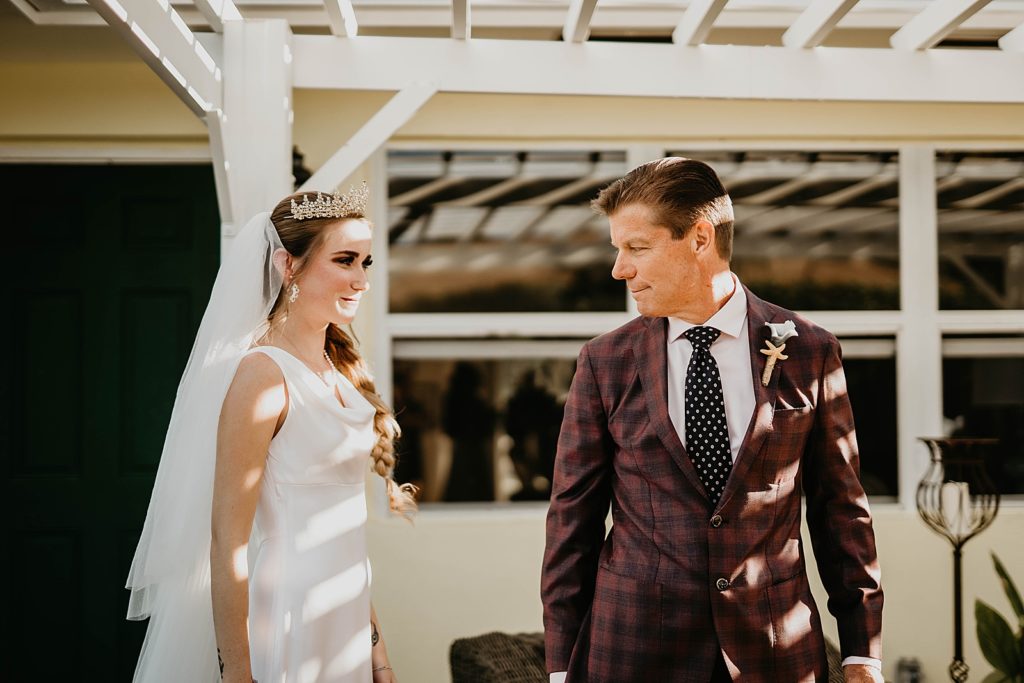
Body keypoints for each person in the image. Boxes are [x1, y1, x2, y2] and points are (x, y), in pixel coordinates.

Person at [541, 158, 883, 683]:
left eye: (637, 248)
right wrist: (561, 667)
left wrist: (862, 649)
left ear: (700, 238)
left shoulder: (810, 351)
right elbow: (572, 523)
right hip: (635, 652)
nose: (619, 269)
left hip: (774, 651)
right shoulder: (604, 362)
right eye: (617, 249)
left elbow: (841, 510)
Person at [125, 185, 415, 683]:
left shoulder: (337, 371)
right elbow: (227, 544)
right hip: (288, 614)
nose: (361, 279)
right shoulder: (262, 375)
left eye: (365, 262)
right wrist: (238, 674)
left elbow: (343, 540)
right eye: (345, 260)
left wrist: (378, 652)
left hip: (344, 617)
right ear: (288, 265)